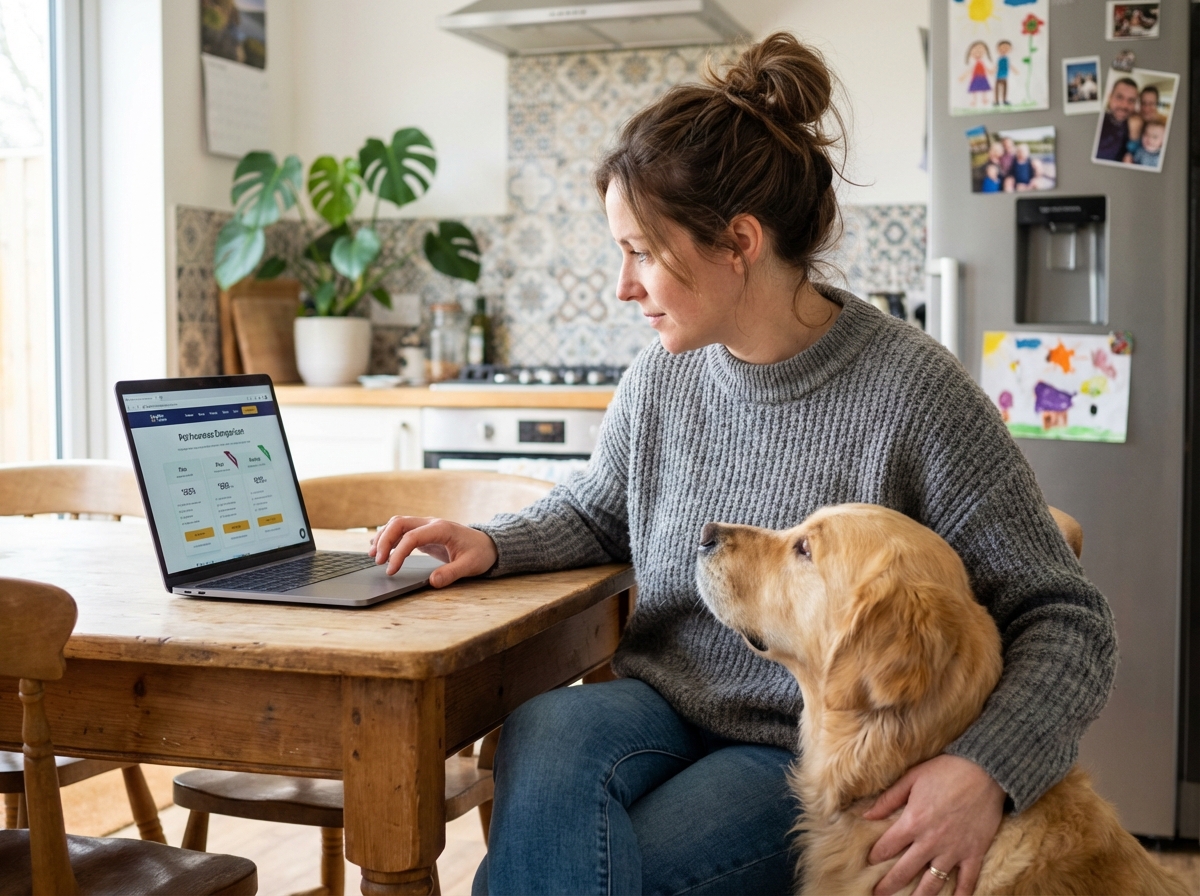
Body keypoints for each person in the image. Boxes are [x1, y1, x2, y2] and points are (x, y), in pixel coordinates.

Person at [370, 32, 1117, 896]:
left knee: (597, 872)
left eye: (642, 252)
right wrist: (492, 543)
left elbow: (1067, 616)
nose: (623, 286)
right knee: (546, 728)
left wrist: (988, 768)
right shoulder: (663, 373)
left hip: (797, 747)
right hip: (662, 703)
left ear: (739, 243)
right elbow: (601, 506)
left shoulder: (915, 393)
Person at [1096, 77, 1138, 161]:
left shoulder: (1135, 124)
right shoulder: (1096, 120)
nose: (1124, 105)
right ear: (1110, 97)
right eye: (1119, 97)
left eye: (1131, 100)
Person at [960, 41, 993, 109]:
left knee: (984, 88)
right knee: (974, 89)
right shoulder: (972, 62)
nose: (978, 53)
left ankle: (984, 99)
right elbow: (969, 70)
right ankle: (974, 100)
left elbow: (987, 69)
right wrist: (963, 76)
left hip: (983, 77)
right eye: (976, 51)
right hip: (975, 77)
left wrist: (990, 72)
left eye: (980, 51)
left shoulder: (983, 62)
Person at [994, 40, 1016, 106]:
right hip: (998, 76)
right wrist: (992, 71)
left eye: (1007, 48)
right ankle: (997, 101)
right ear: (998, 49)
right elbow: (996, 66)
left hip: (1005, 76)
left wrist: (1014, 70)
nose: (1004, 50)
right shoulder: (999, 58)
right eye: (1002, 48)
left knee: (1005, 89)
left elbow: (1009, 65)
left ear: (1010, 50)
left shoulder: (1007, 58)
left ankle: (1004, 100)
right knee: (997, 89)